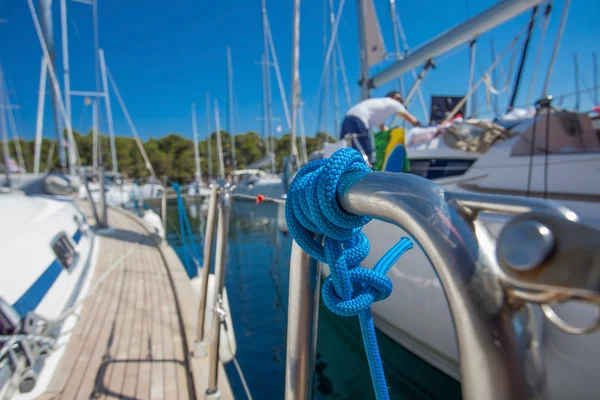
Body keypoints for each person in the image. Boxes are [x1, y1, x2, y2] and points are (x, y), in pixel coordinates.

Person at [339, 91, 421, 165]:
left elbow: (383, 128)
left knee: (343, 150)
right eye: (399, 99)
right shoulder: (392, 102)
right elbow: (410, 119)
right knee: (366, 151)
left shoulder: (379, 105)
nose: (400, 102)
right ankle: (366, 172)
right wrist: (421, 127)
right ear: (394, 98)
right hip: (359, 120)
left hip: (346, 120)